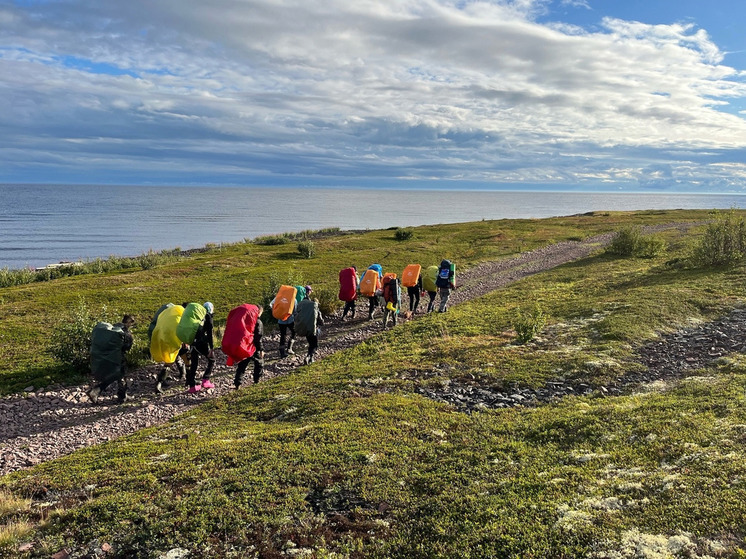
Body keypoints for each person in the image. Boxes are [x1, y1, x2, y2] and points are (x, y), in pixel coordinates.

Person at [87, 314, 135, 404]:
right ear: (129, 322)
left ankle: (122, 395)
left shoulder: (114, 327)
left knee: (116, 375)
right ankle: (97, 391)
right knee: (121, 374)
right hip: (116, 357)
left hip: (102, 356)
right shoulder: (125, 333)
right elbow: (127, 347)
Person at [186, 302, 216, 393]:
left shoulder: (198, 316)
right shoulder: (208, 318)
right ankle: (206, 380)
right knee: (212, 360)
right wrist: (211, 348)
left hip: (193, 343)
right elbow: (210, 334)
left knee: (194, 364)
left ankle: (192, 386)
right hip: (202, 344)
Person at [234, 306, 264, 388]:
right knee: (259, 363)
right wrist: (261, 349)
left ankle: (238, 383)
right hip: (253, 347)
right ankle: (256, 380)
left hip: (245, 346)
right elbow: (258, 337)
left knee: (242, 365)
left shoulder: (246, 320)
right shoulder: (258, 322)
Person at [295, 286, 324, 364]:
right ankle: (308, 356)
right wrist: (321, 322)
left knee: (310, 343)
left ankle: (310, 358)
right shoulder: (313, 304)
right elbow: (318, 315)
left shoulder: (300, 304)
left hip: (304, 327)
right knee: (315, 344)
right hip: (312, 327)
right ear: (309, 292)